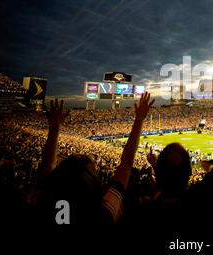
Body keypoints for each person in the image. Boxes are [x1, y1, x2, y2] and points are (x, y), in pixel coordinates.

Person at [135, 91, 213, 235]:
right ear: (189, 172)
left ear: (161, 174)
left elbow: (162, 182)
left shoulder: (146, 213)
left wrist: (139, 121)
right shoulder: (201, 198)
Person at [33, 93, 154, 224]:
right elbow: (127, 162)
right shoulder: (100, 217)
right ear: (93, 185)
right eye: (93, 170)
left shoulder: (43, 202)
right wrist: (139, 119)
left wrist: (54, 129)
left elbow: (45, 171)